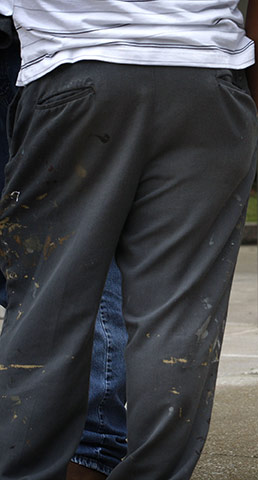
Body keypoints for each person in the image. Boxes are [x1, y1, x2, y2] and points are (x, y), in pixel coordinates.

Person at [0, 1, 258, 479]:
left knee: (48, 309)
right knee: (179, 318)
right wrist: (248, 110)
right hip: (205, 77)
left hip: (74, 70)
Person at [0, 25, 127, 480]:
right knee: (68, 251)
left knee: (76, 249)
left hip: (53, 49)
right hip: (61, 49)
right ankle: (84, 446)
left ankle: (85, 448)